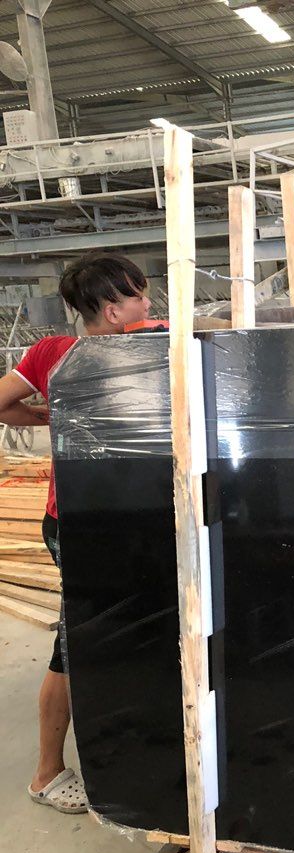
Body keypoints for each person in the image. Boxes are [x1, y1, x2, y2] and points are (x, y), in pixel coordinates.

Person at [0, 251, 150, 813]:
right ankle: (46, 773)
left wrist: (41, 415)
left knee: (115, 633)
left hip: (94, 518)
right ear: (112, 310)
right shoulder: (143, 351)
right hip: (87, 526)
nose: (148, 303)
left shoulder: (51, 354)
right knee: (74, 644)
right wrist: (48, 416)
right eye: (139, 294)